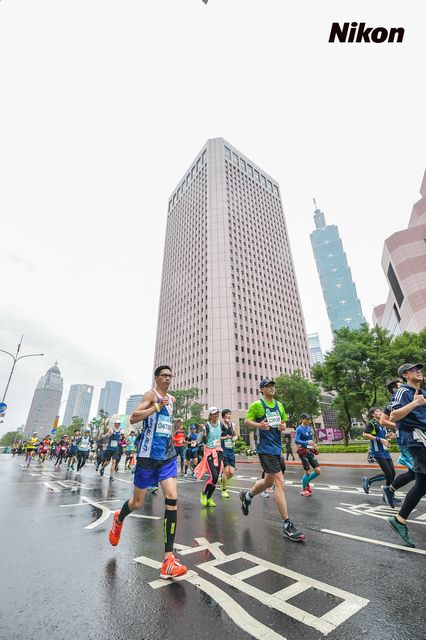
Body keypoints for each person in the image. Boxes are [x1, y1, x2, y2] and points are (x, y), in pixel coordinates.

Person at [108, 365, 187, 579]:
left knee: (172, 498)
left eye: (170, 376)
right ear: (156, 378)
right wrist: (156, 407)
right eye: (164, 376)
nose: (168, 379)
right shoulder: (150, 395)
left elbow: (163, 424)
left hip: (167, 455)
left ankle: (168, 560)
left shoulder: (172, 400)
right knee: (137, 502)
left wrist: (174, 422)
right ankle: (119, 518)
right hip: (147, 456)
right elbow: (134, 417)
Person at [240, 379, 305, 542]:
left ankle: (247, 496)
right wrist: (259, 425)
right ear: (261, 390)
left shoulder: (279, 405)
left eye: (273, 386)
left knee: (268, 481)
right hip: (265, 449)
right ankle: (287, 525)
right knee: (279, 482)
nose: (272, 388)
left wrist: (283, 426)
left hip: (277, 448)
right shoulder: (257, 405)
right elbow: (246, 421)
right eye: (268, 386)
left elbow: (283, 423)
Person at [387, 363, 426, 547]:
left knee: (422, 484)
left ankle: (399, 520)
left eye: (419, 369)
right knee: (421, 482)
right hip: (415, 440)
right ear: (405, 375)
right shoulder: (402, 392)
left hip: (423, 438)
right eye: (414, 370)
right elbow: (393, 416)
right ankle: (399, 518)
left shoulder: (423, 392)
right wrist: (414, 403)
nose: (419, 372)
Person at [380, 380, 410, 508]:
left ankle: (390, 490)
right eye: (400, 384)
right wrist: (400, 425)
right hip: (407, 440)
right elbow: (383, 421)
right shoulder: (393, 402)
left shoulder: (410, 397)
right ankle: (390, 490)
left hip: (416, 438)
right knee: (417, 472)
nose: (404, 385)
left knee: (415, 473)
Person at [361, 408, 395, 494]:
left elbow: (379, 435)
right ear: (373, 414)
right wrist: (380, 439)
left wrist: (387, 436)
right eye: (377, 411)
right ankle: (368, 481)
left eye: (380, 411)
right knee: (388, 474)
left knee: (392, 474)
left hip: (385, 451)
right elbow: (365, 434)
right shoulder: (371, 423)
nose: (380, 412)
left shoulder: (382, 423)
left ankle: (388, 493)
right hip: (377, 451)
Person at [196, 407, 223, 507]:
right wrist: (204, 432)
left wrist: (230, 429)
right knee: (214, 476)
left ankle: (209, 498)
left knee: (216, 479)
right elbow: (205, 441)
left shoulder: (220, 424)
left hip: (219, 452)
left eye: (217, 413)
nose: (216, 415)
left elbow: (230, 433)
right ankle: (204, 493)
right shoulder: (207, 426)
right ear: (210, 415)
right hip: (209, 454)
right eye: (214, 414)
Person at [295, 414, 321, 497]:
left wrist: (314, 445)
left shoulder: (309, 428)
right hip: (302, 452)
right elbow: (296, 440)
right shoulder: (299, 429)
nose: (308, 421)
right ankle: (304, 489)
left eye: (309, 419)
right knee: (308, 472)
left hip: (309, 451)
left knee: (318, 471)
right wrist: (306, 442)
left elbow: (310, 440)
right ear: (302, 420)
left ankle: (305, 481)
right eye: (307, 419)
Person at [219, 409, 238, 498]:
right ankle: (224, 490)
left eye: (229, 414)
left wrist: (235, 438)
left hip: (231, 450)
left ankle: (223, 480)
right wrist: (225, 438)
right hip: (224, 450)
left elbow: (235, 435)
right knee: (226, 471)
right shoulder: (220, 425)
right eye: (227, 414)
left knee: (231, 473)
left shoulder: (232, 425)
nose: (228, 415)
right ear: (223, 416)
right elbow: (217, 437)